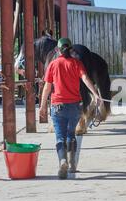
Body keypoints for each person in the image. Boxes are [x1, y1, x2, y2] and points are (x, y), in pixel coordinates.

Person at [39, 38, 101, 179]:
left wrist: (43, 105)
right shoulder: (77, 63)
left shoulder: (53, 64)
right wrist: (96, 94)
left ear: (57, 50)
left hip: (58, 106)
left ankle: (62, 161)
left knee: (60, 137)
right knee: (71, 134)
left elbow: (47, 87)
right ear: (71, 49)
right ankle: (72, 164)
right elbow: (85, 79)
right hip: (74, 106)